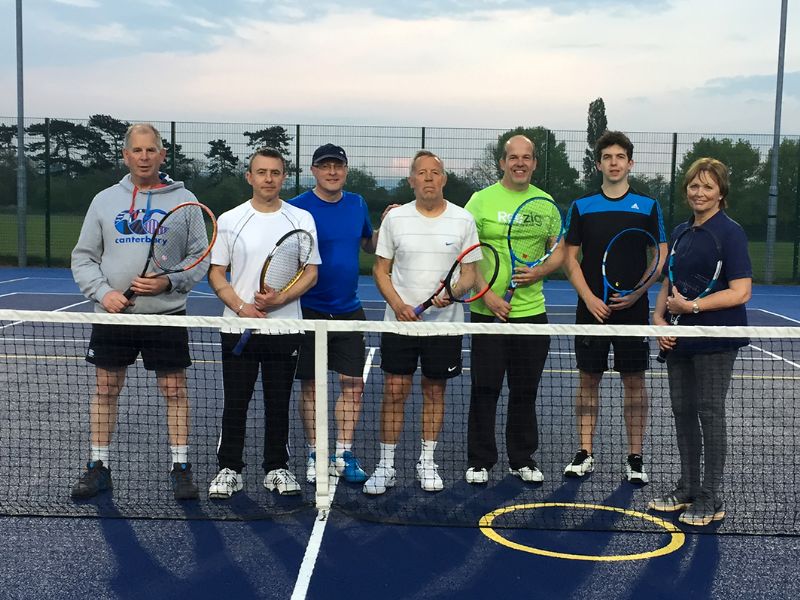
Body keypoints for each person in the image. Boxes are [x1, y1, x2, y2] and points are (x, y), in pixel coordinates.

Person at [70, 123, 207, 501]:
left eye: (152, 150)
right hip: (115, 316)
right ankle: (98, 466)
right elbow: (84, 257)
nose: (144, 157)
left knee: (175, 389)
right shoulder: (104, 201)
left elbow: (199, 255)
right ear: (126, 156)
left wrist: (170, 282)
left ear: (163, 155)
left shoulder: (184, 200)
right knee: (105, 389)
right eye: (137, 150)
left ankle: (181, 468)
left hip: (166, 314)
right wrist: (103, 293)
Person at [364, 150, 480, 495]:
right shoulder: (395, 220)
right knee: (394, 392)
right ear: (411, 180)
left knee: (434, 391)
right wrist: (398, 305)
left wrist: (454, 291)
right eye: (421, 173)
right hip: (400, 324)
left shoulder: (463, 220)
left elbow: (470, 273)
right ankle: (386, 466)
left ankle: (427, 462)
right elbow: (379, 270)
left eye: (435, 172)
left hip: (444, 326)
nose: (428, 178)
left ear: (444, 179)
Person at [207, 147, 320, 498]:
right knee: (235, 401)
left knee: (278, 401)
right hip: (237, 328)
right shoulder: (229, 219)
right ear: (249, 176)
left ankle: (277, 468)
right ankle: (229, 469)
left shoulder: (300, 219)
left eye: (275, 172)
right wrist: (242, 307)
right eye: (261, 172)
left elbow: (311, 273)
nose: (268, 178)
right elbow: (216, 274)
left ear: (284, 177)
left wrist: (281, 299)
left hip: (284, 329)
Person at [649, 158, 751, 526]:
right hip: (678, 342)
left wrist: (691, 307)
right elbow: (667, 282)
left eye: (707, 186)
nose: (699, 192)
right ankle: (688, 487)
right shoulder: (680, 233)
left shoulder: (731, 233)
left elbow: (741, 292)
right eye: (694, 185)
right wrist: (660, 320)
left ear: (721, 193)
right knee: (682, 412)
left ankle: (711, 496)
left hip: (716, 340)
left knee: (710, 413)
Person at [562, 130, 667, 483]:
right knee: (588, 379)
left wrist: (639, 292)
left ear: (630, 163)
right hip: (590, 311)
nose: (614, 162)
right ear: (598, 164)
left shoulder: (649, 206)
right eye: (607, 157)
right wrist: (589, 297)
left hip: (632, 312)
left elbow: (660, 254)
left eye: (620, 157)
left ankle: (635, 457)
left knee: (634, 382)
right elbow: (570, 258)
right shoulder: (581, 206)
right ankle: (584, 452)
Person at [463, 134, 564, 484]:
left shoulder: (546, 203)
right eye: (513, 157)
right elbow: (467, 254)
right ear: (502, 162)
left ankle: (521, 458)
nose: (519, 163)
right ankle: (480, 460)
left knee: (525, 391)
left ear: (534, 163)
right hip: (487, 312)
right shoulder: (480, 201)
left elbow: (559, 252)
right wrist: (486, 294)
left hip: (531, 315)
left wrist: (540, 270)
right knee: (484, 388)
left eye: (527, 157)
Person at [288, 143, 388, 485]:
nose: (332, 172)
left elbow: (368, 245)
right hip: (307, 310)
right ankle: (317, 453)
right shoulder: (296, 208)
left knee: (354, 385)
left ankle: (343, 453)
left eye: (338, 166)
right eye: (325, 166)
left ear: (345, 170)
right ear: (314, 171)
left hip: (348, 310)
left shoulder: (358, 204)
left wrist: (385, 227)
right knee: (311, 387)